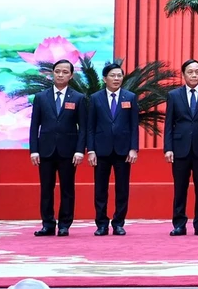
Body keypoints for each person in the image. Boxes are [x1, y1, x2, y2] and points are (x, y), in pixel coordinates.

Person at [28, 59, 86, 237]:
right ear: (52, 73)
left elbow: (83, 127)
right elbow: (34, 126)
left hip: (68, 152)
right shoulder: (41, 97)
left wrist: (79, 150)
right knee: (46, 188)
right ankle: (48, 224)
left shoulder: (78, 98)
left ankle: (64, 225)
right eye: (57, 71)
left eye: (65, 72)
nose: (60, 75)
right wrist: (34, 150)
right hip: (45, 150)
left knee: (67, 189)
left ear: (71, 75)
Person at [164, 59, 198, 236]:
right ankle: (179, 224)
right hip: (180, 148)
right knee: (180, 188)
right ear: (183, 74)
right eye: (190, 72)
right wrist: (168, 148)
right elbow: (169, 124)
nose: (194, 75)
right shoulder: (174, 95)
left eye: (197, 71)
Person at [86, 63, 140, 236]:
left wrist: (133, 148)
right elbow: (90, 127)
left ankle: (118, 223)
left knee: (122, 188)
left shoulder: (130, 97)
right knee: (100, 188)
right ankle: (101, 224)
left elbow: (134, 125)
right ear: (104, 79)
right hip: (101, 150)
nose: (116, 79)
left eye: (119, 75)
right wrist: (91, 150)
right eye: (113, 75)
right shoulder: (95, 98)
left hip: (123, 150)